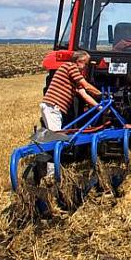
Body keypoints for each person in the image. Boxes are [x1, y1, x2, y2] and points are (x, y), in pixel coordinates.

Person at [40, 50, 102, 178]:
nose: (86, 66)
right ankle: (51, 174)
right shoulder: (70, 67)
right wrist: (101, 94)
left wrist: (99, 107)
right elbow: (87, 87)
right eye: (86, 63)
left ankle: (53, 168)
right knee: (56, 139)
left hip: (54, 108)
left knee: (58, 136)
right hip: (53, 107)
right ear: (79, 61)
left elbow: (84, 94)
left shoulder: (73, 76)